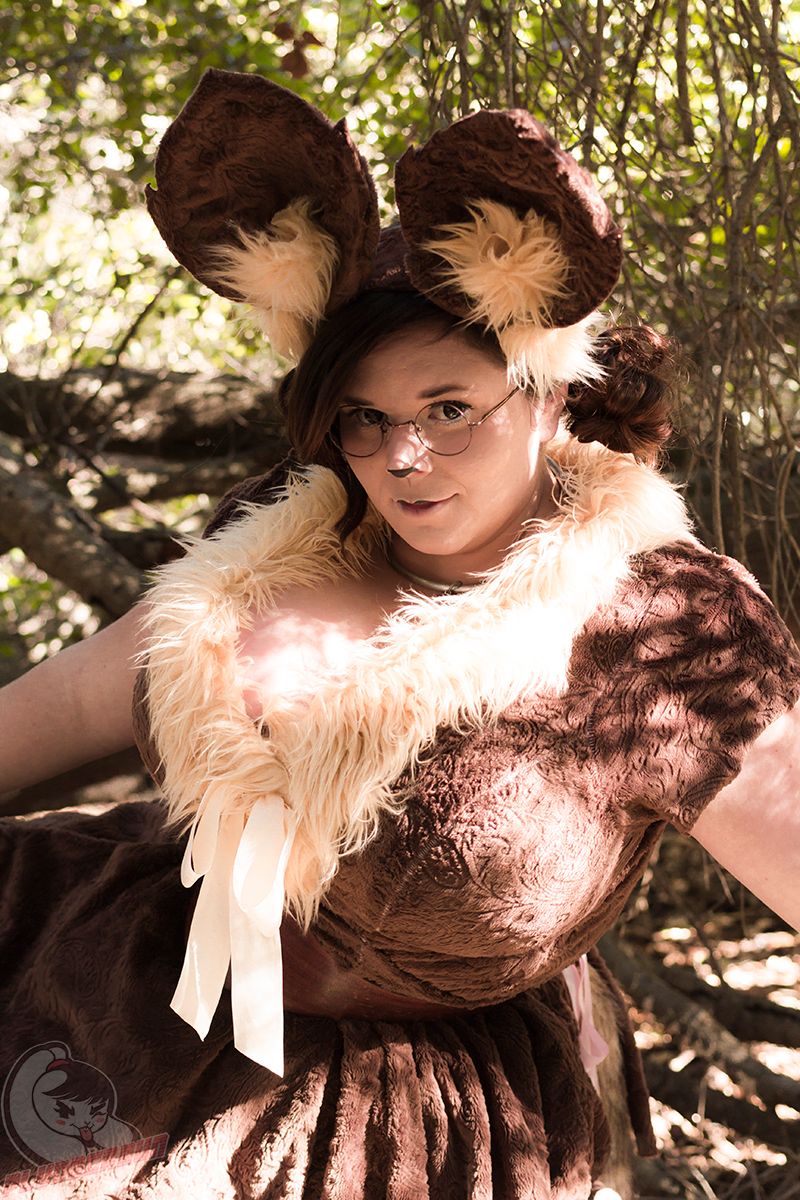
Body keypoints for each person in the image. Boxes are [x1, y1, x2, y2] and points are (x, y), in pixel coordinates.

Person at [1, 68, 799, 1200]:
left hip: (402, 1125)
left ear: (546, 395)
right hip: (109, 983)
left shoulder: (664, 633)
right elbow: (89, 695)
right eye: (364, 419)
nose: (402, 458)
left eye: (448, 410)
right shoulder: (288, 534)